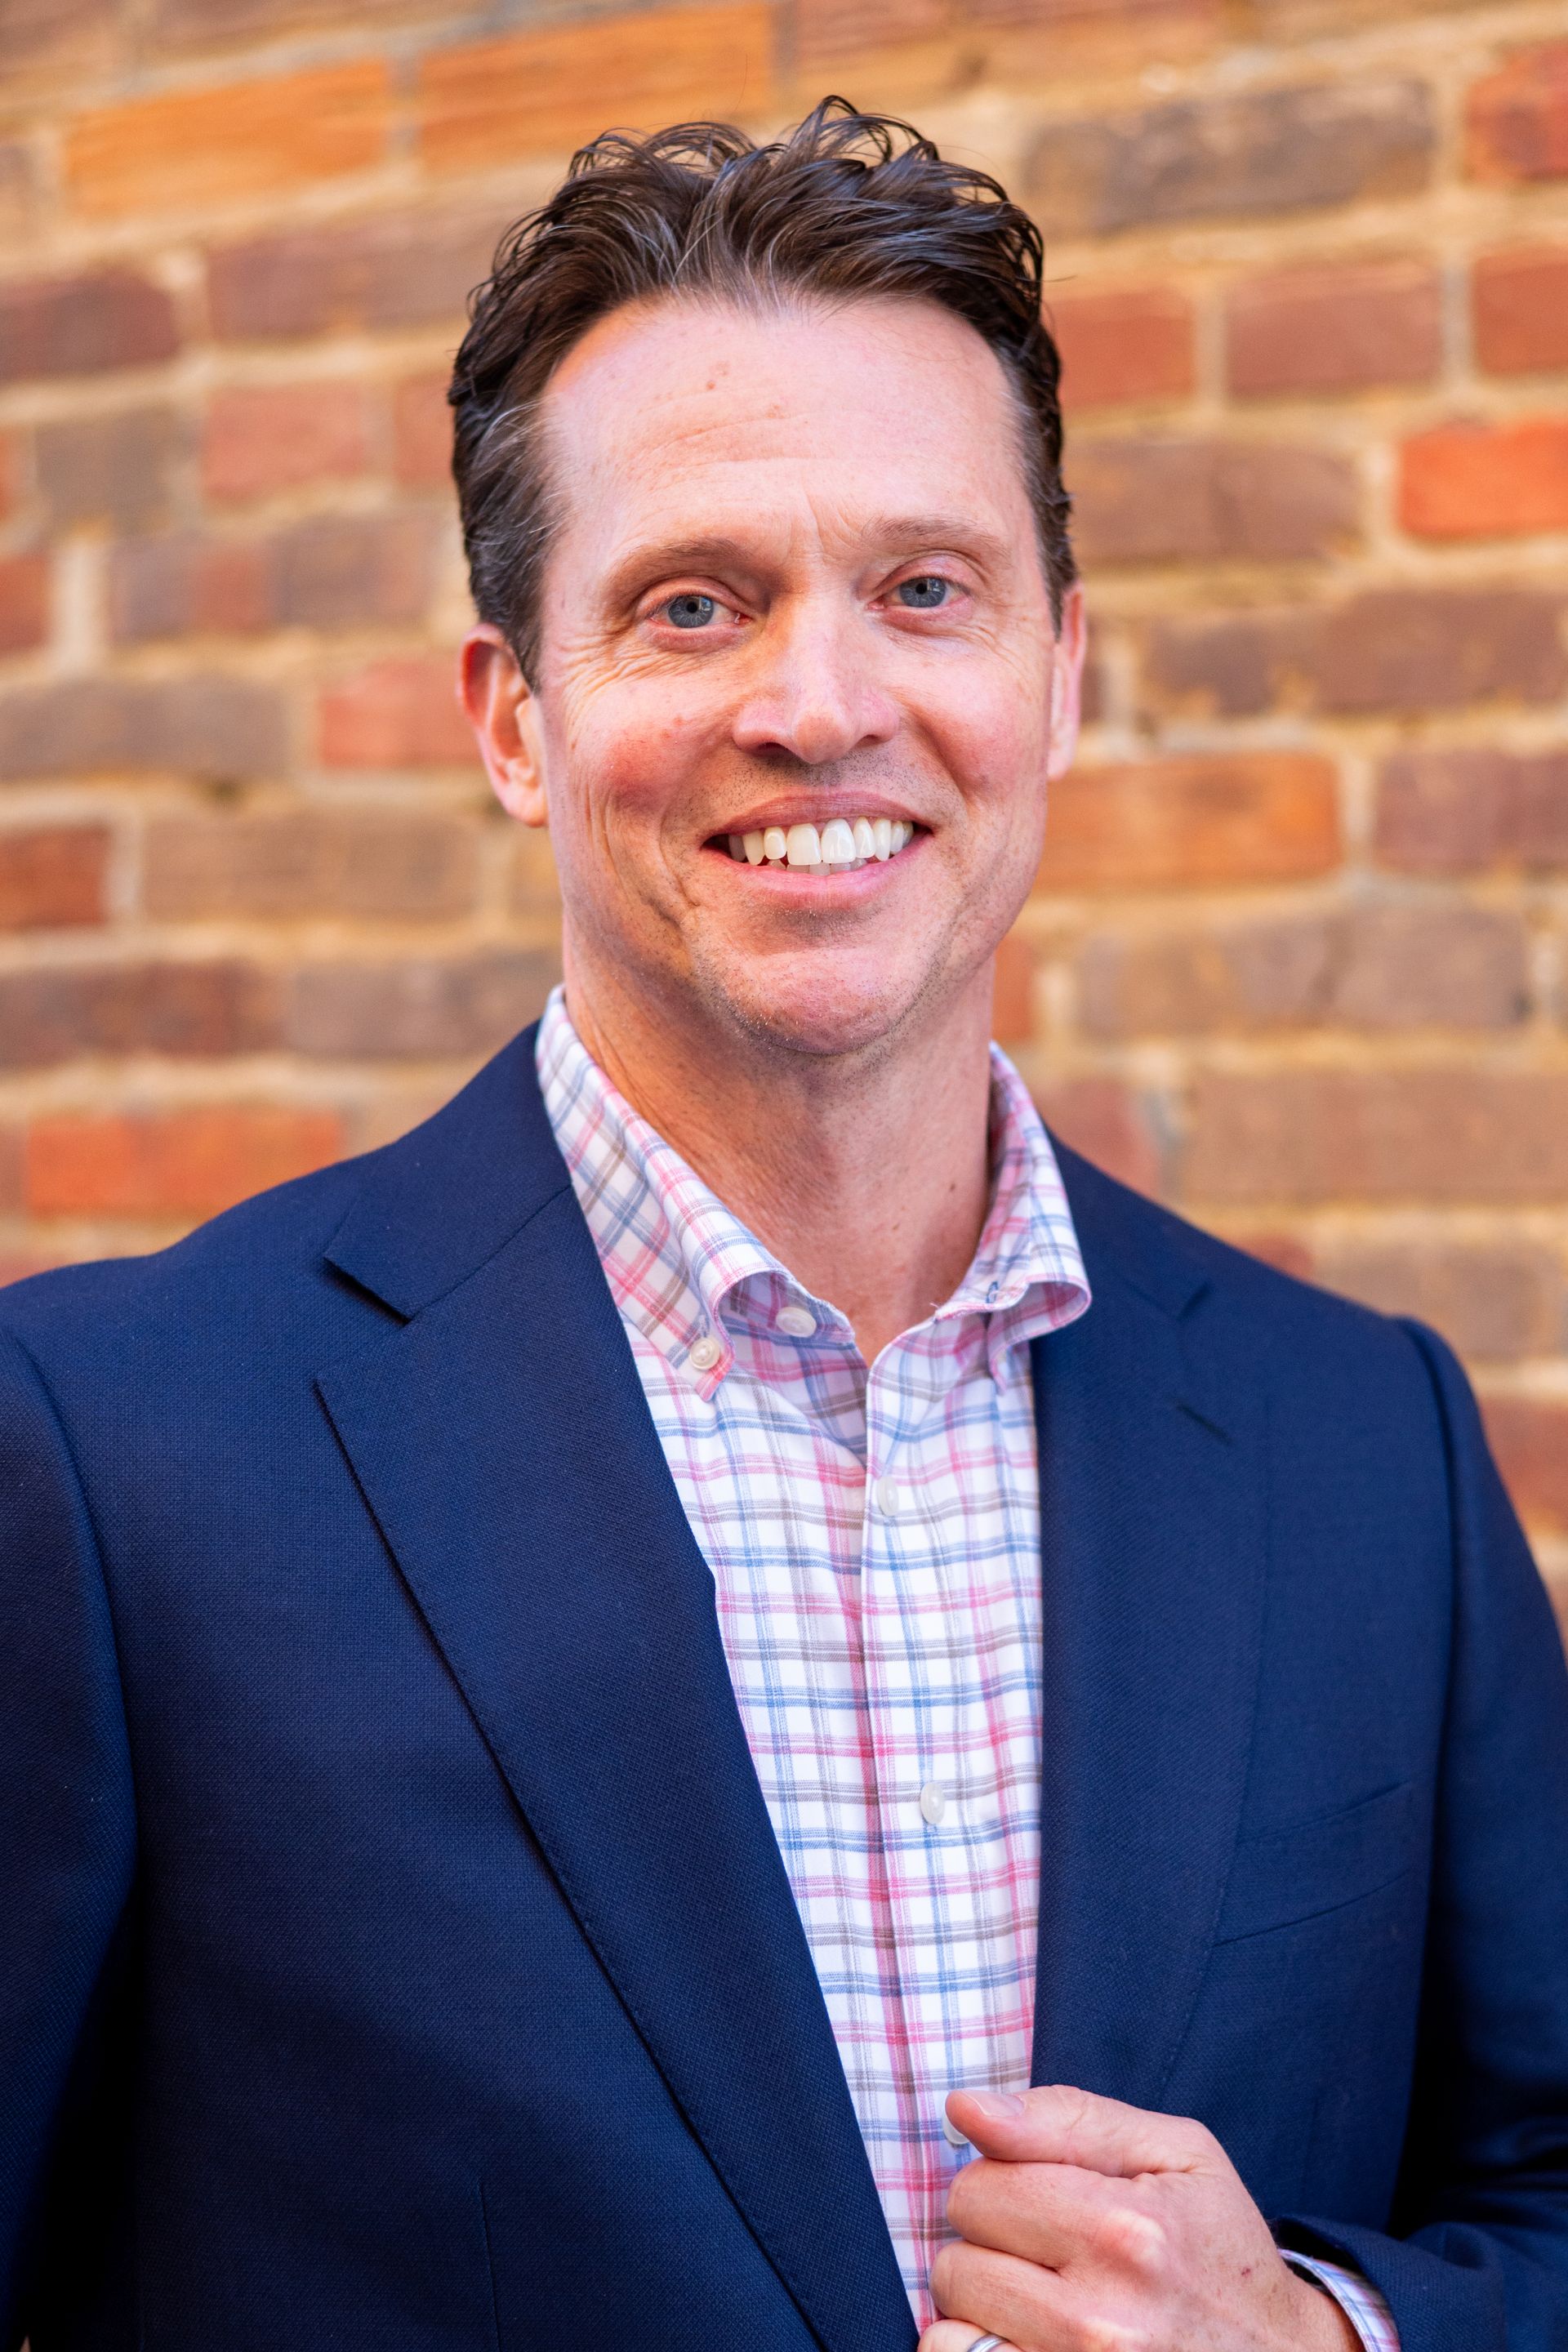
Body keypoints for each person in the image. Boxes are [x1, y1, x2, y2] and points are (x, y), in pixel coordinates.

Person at [2, 97, 1566, 2352]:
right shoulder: (102, 1455)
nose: (821, 706)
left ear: (1061, 672)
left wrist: (1326, 2334)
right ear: (515, 721)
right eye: (691, 603)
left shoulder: (1368, 1441)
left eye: (926, 589)